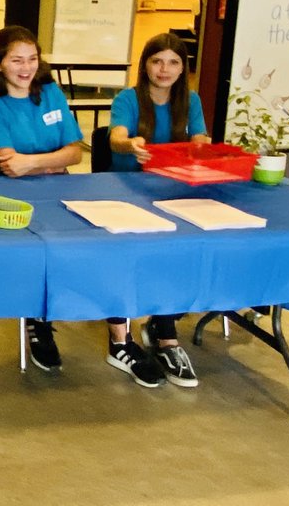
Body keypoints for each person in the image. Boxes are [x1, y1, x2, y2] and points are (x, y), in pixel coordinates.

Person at [0, 26, 82, 374]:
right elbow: (8, 163)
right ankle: (38, 323)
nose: (26, 67)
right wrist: (53, 159)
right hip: (10, 195)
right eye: (16, 60)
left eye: (32, 59)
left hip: (59, 189)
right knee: (35, 253)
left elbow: (76, 153)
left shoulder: (50, 92)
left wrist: (34, 162)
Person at [106, 32, 210, 388]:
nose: (164, 69)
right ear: (145, 65)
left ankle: (165, 333)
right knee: (125, 257)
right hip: (128, 193)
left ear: (183, 68)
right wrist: (130, 143)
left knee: (180, 255)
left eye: (173, 62)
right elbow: (115, 137)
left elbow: (199, 139)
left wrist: (201, 147)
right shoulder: (128, 98)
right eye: (156, 61)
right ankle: (120, 338)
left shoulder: (190, 100)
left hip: (175, 193)